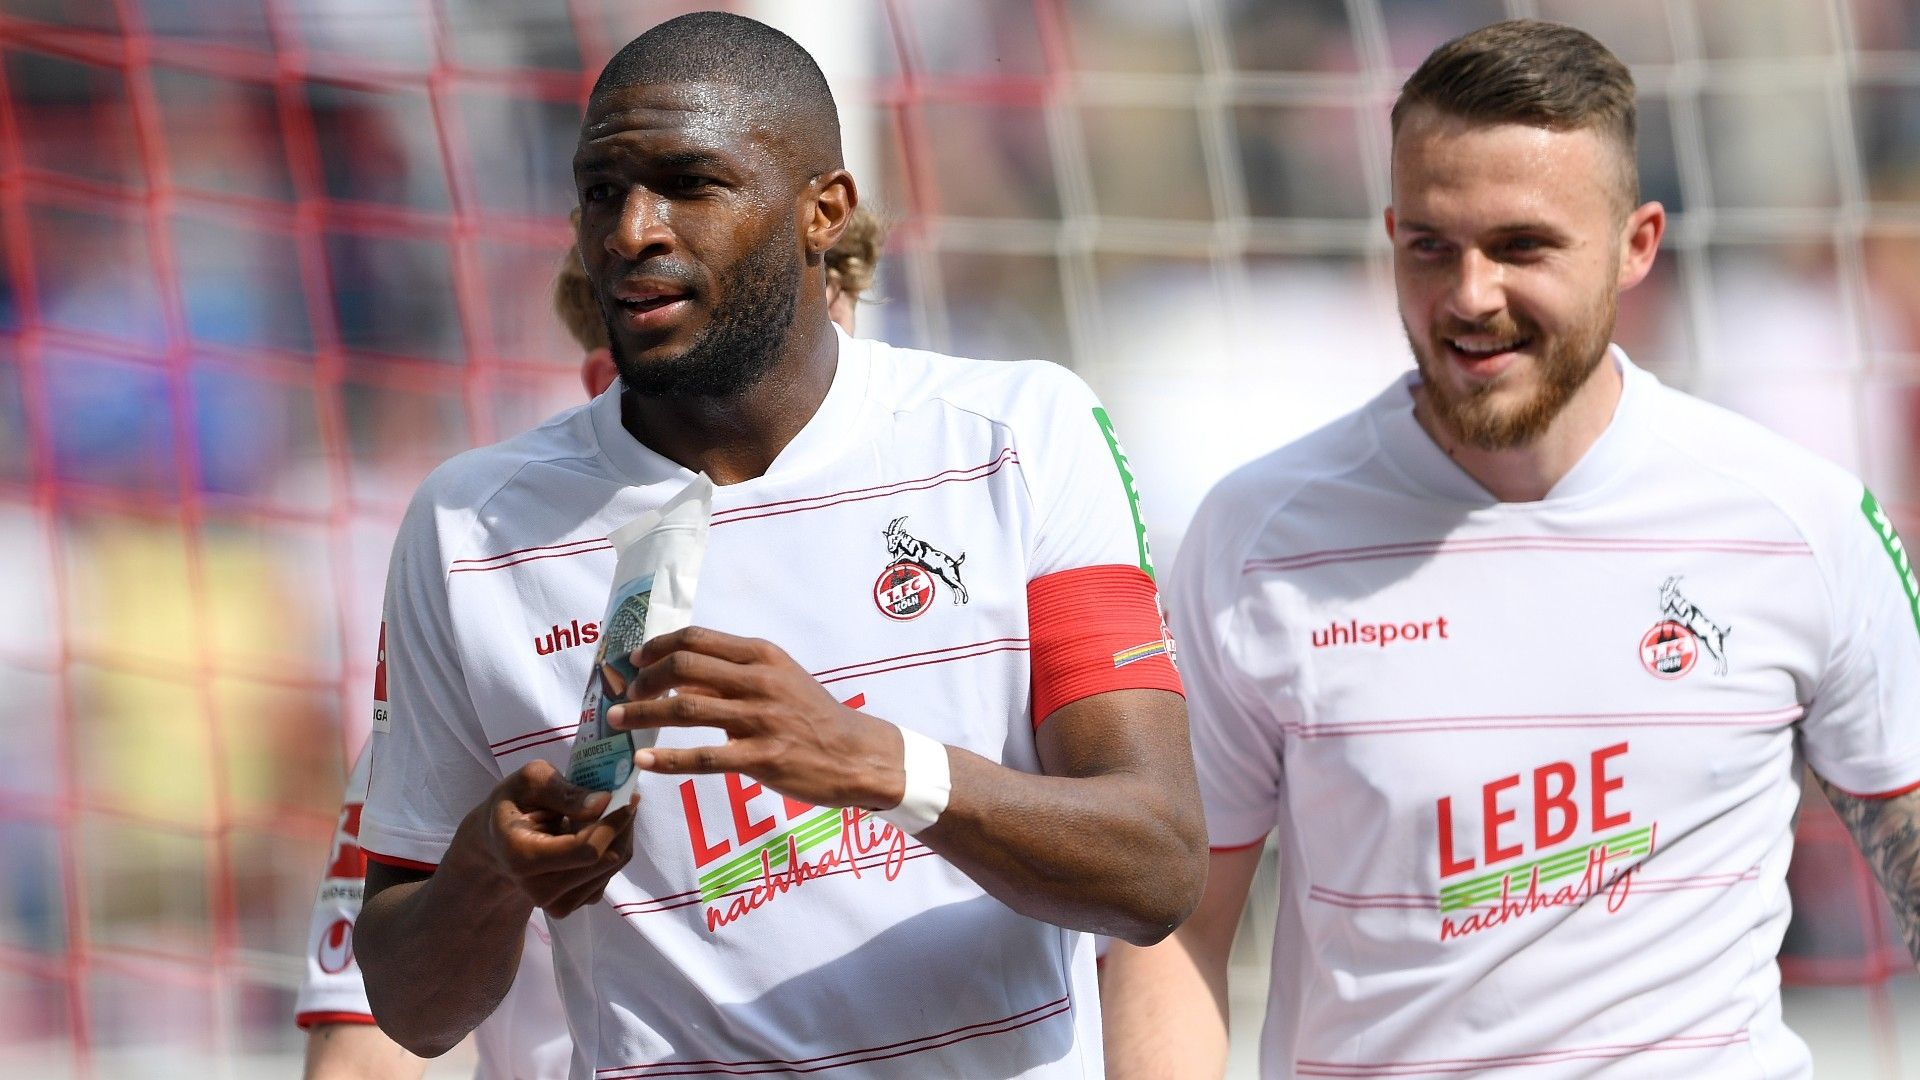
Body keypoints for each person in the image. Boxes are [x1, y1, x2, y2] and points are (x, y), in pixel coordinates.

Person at [351, 12, 1204, 1080]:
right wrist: (490, 868)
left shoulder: (1016, 435)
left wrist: (886, 767)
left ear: (823, 211)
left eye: (687, 182)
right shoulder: (467, 528)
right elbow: (408, 1010)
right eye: (601, 190)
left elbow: (1159, 863)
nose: (631, 232)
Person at [1103, 19, 1920, 1080]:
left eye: (1522, 246)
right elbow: (1177, 927)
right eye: (1431, 247)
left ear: (1638, 245)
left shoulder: (1798, 519)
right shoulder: (1258, 539)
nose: (1472, 296)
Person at [295, 203, 891, 1080]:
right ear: (601, 383)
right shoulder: (492, 647)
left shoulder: (961, 585)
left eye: (826, 328)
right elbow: (368, 1036)